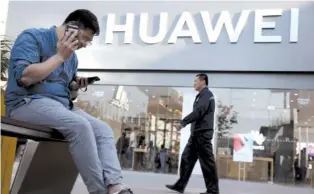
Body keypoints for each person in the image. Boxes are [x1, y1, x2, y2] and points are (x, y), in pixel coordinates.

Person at [5, 9, 133, 194]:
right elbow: (25, 78)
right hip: (25, 103)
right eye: (85, 38)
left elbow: (67, 95)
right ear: (71, 27)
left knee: (103, 130)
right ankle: (99, 191)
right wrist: (59, 57)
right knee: (79, 125)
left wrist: (74, 88)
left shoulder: (72, 57)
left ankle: (115, 186)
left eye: (88, 41)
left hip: (61, 106)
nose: (85, 44)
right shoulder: (32, 37)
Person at [165, 73, 219, 194]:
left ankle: (213, 191)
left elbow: (199, 111)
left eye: (196, 81)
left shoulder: (207, 95)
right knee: (186, 159)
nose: (194, 83)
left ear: (203, 81)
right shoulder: (200, 96)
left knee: (207, 164)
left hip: (203, 136)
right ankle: (180, 185)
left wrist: (183, 122)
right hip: (195, 135)